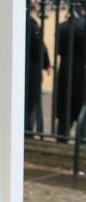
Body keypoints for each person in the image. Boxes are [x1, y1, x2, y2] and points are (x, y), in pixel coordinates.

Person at [56, 3, 86, 139]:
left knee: (65, 115)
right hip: (81, 75)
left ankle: (62, 139)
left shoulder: (62, 27)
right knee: (81, 114)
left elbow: (58, 50)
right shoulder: (83, 26)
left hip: (65, 72)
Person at [25, 0, 52, 133]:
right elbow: (39, 46)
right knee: (31, 103)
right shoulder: (31, 23)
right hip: (31, 70)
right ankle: (28, 132)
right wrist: (47, 63)